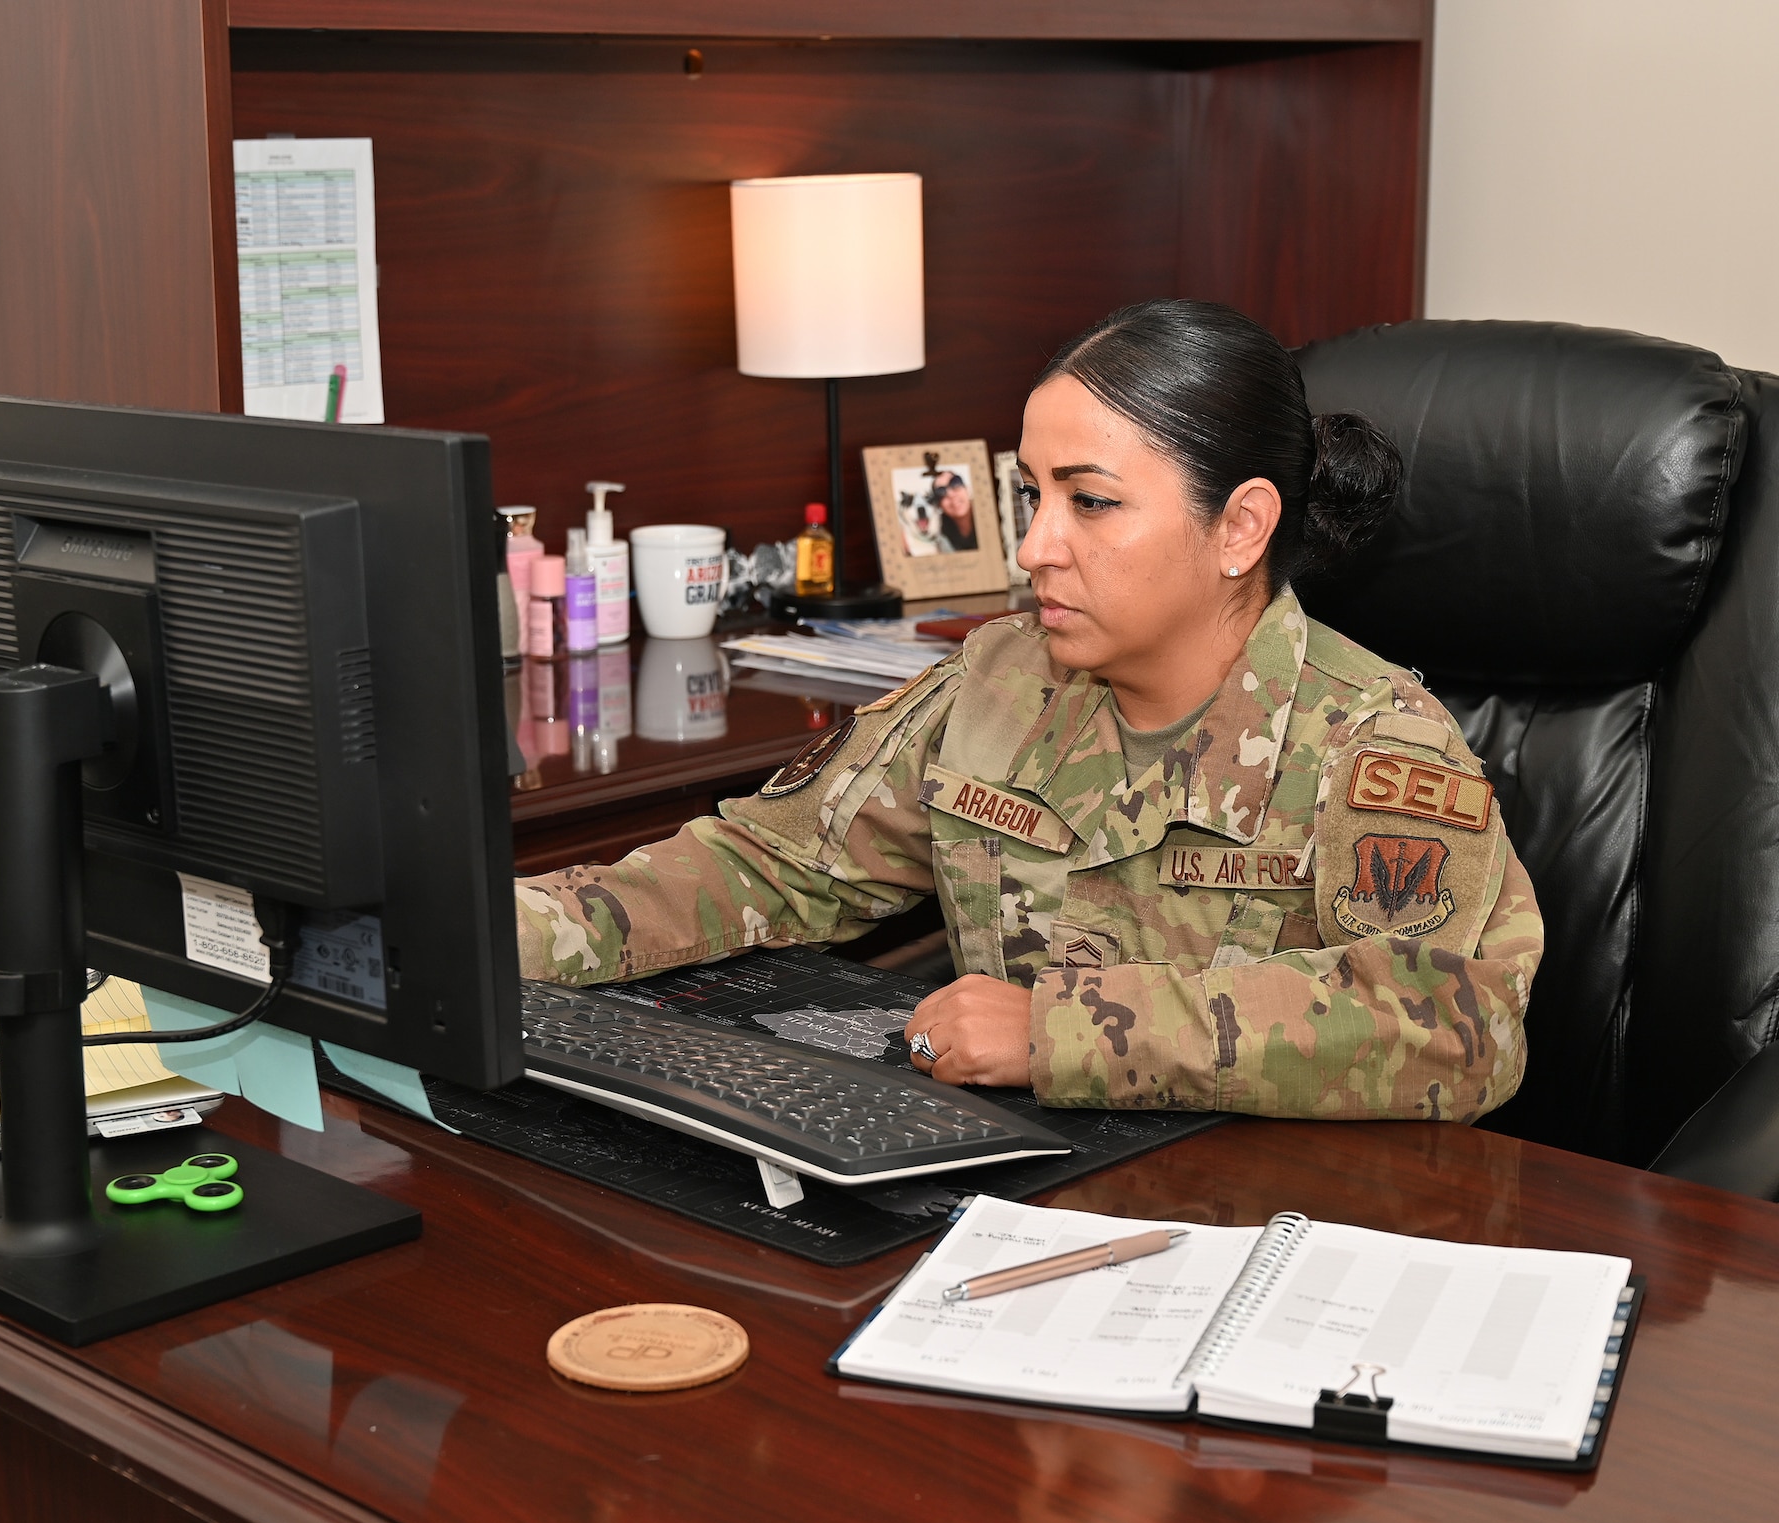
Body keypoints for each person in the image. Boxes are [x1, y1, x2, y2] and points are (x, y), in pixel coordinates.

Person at [515, 300, 1543, 1121]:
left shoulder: (1376, 741)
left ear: (1239, 527)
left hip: (1271, 1232)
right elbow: (773, 861)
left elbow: (1450, 1024)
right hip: (1018, 1189)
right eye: (1030, 494)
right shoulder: (999, 677)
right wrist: (503, 934)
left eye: (1088, 501)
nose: (1035, 545)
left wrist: (1064, 1031)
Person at [932, 470, 979, 551]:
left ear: (967, 489)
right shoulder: (940, 531)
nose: (950, 494)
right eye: (941, 491)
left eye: (955, 483)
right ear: (939, 505)